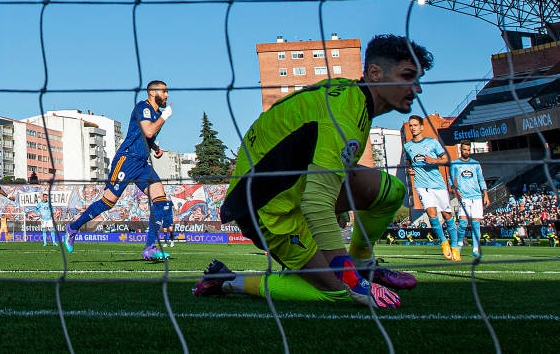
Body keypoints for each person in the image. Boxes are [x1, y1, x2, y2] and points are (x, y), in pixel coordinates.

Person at [193, 34, 433, 308]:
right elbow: (317, 205)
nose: (416, 88)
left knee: (391, 190)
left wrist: (355, 270)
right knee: (339, 291)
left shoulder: (354, 99)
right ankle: (226, 280)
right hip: (267, 211)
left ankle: (363, 265)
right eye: (408, 76)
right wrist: (354, 282)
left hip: (293, 192)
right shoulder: (343, 116)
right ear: (375, 73)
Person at [63, 80, 173, 260]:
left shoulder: (156, 113)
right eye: (164, 91)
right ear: (153, 92)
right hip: (127, 160)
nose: (167, 95)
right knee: (108, 202)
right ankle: (73, 228)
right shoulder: (142, 108)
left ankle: (150, 248)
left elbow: (144, 136)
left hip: (142, 164)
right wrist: (165, 116)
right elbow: (148, 132)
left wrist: (155, 148)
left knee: (160, 199)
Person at [403, 115, 459, 261]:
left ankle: (455, 246)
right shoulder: (407, 146)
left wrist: (434, 160)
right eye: (411, 125)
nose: (413, 127)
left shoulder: (432, 142)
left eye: (415, 125)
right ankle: (443, 242)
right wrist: (410, 170)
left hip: (438, 185)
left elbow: (446, 159)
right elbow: (409, 161)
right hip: (421, 185)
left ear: (421, 127)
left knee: (447, 215)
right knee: (431, 214)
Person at [449, 140, 490, 259]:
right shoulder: (455, 164)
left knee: (476, 224)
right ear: (460, 150)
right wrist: (455, 190)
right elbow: (451, 180)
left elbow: (481, 179)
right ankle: (460, 242)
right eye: (464, 149)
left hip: (477, 197)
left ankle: (476, 249)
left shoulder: (475, 164)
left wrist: (485, 194)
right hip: (464, 197)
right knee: (462, 223)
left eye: (468, 149)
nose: (466, 152)